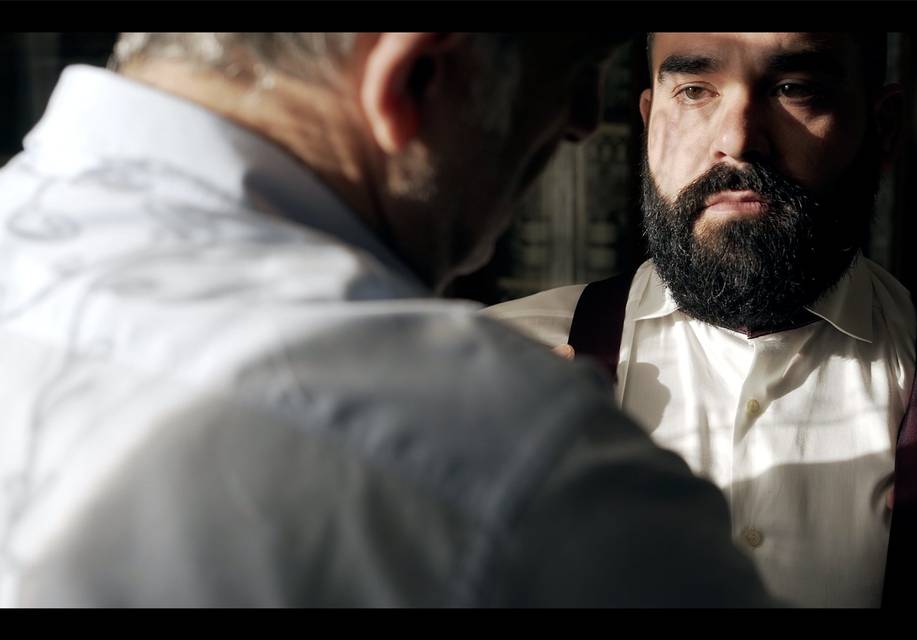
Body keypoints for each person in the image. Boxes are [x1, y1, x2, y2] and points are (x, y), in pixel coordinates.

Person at [0, 32, 779, 607]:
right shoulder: (520, 460)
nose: (580, 122)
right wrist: (516, 432)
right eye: (572, 71)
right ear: (416, 77)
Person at [486, 32, 917, 607]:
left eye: (793, 89)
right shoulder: (483, 377)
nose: (737, 142)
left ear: (883, 128)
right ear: (649, 122)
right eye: (693, 90)